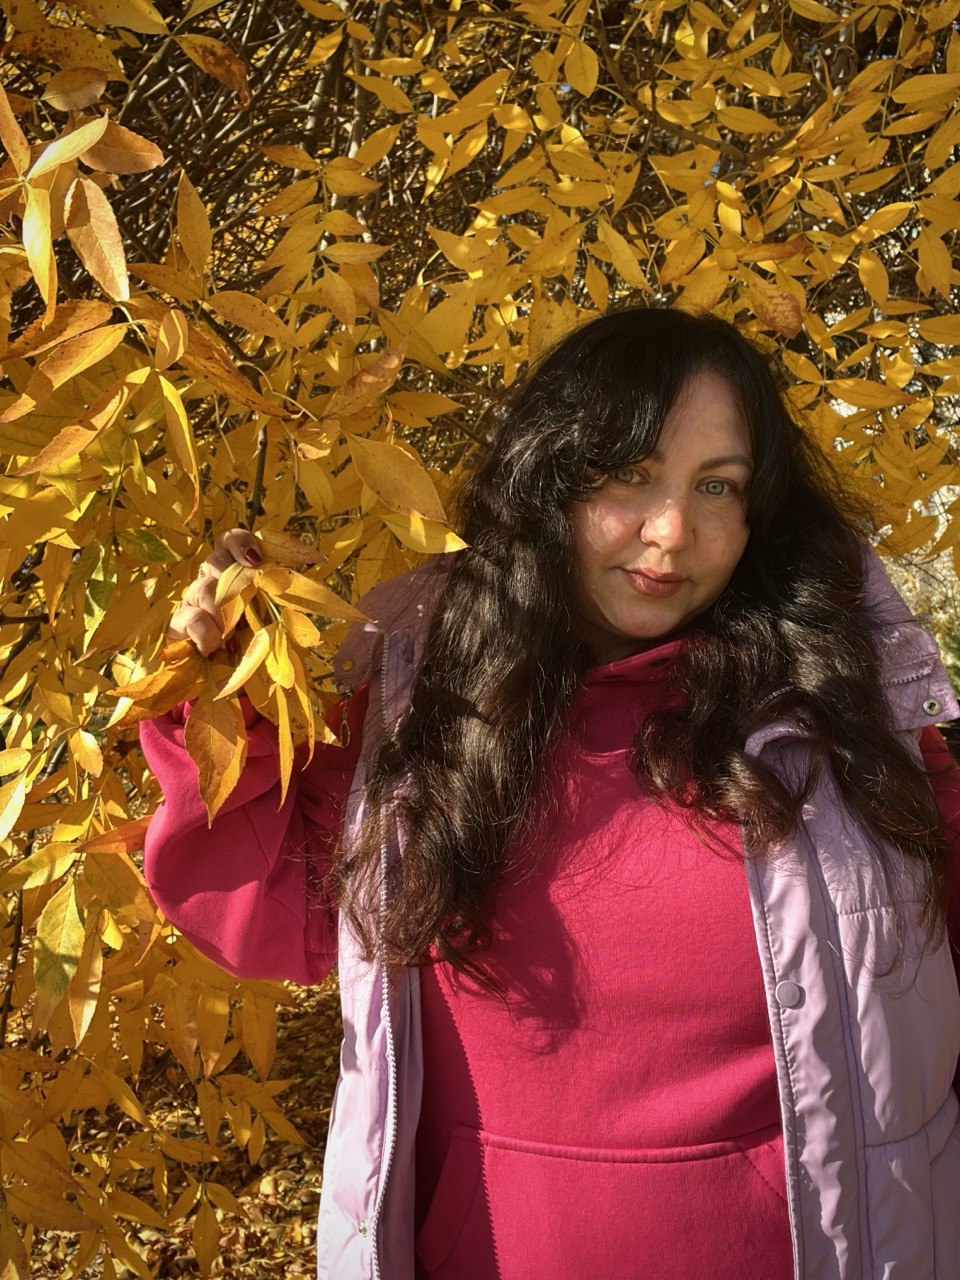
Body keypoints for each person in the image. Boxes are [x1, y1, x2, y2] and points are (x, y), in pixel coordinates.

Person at [140, 305, 960, 1280]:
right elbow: (269, 919)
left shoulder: (838, 708)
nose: (672, 531)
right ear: (551, 478)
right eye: (631, 474)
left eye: (718, 486)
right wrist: (219, 695)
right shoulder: (421, 703)